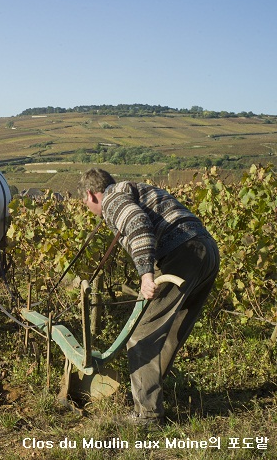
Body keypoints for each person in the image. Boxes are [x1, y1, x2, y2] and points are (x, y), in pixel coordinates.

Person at [78, 168, 220, 425]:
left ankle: (147, 414)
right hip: (206, 250)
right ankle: (150, 397)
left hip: (181, 254)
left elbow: (137, 223)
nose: (87, 207)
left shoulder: (112, 198)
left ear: (91, 194)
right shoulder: (134, 188)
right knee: (170, 333)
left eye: (85, 202)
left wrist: (146, 275)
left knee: (142, 338)